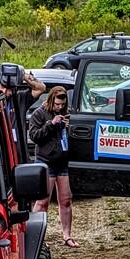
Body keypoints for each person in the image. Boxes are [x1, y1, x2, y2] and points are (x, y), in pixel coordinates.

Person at [29, 85, 79, 248]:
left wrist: (68, 125)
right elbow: (34, 136)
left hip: (62, 161)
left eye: (62, 105)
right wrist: (51, 124)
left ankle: (67, 235)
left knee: (66, 199)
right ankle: (38, 237)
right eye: (57, 104)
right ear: (51, 100)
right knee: (43, 201)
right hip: (46, 161)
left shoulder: (66, 113)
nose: (59, 107)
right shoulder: (39, 114)